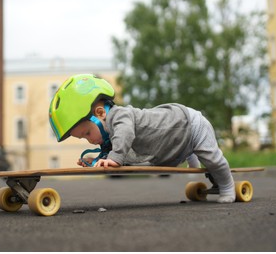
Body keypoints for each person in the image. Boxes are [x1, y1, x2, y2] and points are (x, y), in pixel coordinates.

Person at [49, 74, 235, 203]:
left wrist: (114, 157)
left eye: (87, 133)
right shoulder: (111, 136)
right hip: (178, 137)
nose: (89, 141)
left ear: (100, 114)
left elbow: (125, 135)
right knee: (195, 155)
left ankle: (227, 186)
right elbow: (125, 154)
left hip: (190, 124)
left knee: (212, 159)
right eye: (84, 139)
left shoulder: (120, 116)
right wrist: (96, 160)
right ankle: (191, 156)